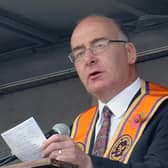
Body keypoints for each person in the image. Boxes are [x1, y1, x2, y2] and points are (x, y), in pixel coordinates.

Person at [42, 15, 168, 168]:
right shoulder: (78, 127)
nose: (89, 59)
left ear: (129, 53)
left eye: (100, 45)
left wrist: (88, 163)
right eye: (79, 53)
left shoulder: (162, 109)